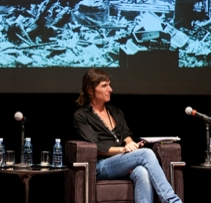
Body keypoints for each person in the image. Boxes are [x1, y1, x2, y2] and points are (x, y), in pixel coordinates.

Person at [73, 68, 182, 203]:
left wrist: (131, 144)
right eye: (104, 86)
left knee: (142, 171)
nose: (110, 89)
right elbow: (97, 147)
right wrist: (124, 150)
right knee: (146, 154)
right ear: (90, 90)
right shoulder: (82, 116)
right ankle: (172, 200)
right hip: (101, 165)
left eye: (110, 84)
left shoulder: (115, 111)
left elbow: (126, 135)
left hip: (122, 161)